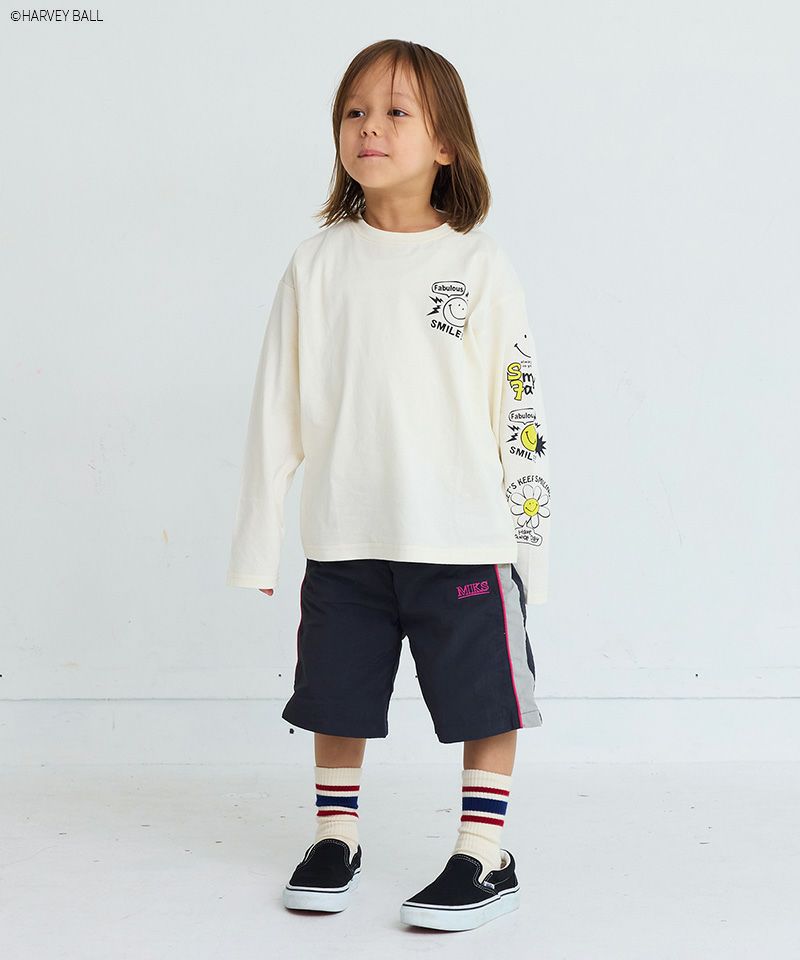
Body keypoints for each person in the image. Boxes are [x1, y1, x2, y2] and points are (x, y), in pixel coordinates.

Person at [225, 39, 553, 931]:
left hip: (463, 537)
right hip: (347, 536)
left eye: (396, 112)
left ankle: (484, 854)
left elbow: (520, 415)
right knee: (336, 693)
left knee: (484, 696)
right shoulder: (316, 265)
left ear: (446, 143)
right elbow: (275, 408)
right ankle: (336, 837)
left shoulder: (480, 267)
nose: (370, 127)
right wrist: (258, 539)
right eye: (354, 111)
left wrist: (530, 550)